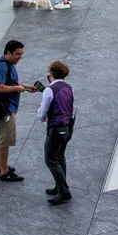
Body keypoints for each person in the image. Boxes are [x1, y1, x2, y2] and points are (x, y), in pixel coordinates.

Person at [0, 40, 37, 181]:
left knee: (4, 139)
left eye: (21, 54)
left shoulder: (8, 64)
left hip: (7, 107)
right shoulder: (3, 66)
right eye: (17, 54)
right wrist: (16, 89)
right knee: (6, 140)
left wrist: (26, 87)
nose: (20, 57)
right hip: (5, 110)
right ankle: (4, 172)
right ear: (8, 53)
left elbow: (10, 83)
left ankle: (1, 166)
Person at [35, 60, 74, 205]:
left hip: (56, 128)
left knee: (50, 159)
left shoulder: (49, 90)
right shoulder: (68, 87)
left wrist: (41, 115)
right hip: (68, 126)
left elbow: (42, 113)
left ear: (51, 73)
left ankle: (64, 191)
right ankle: (59, 185)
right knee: (60, 157)